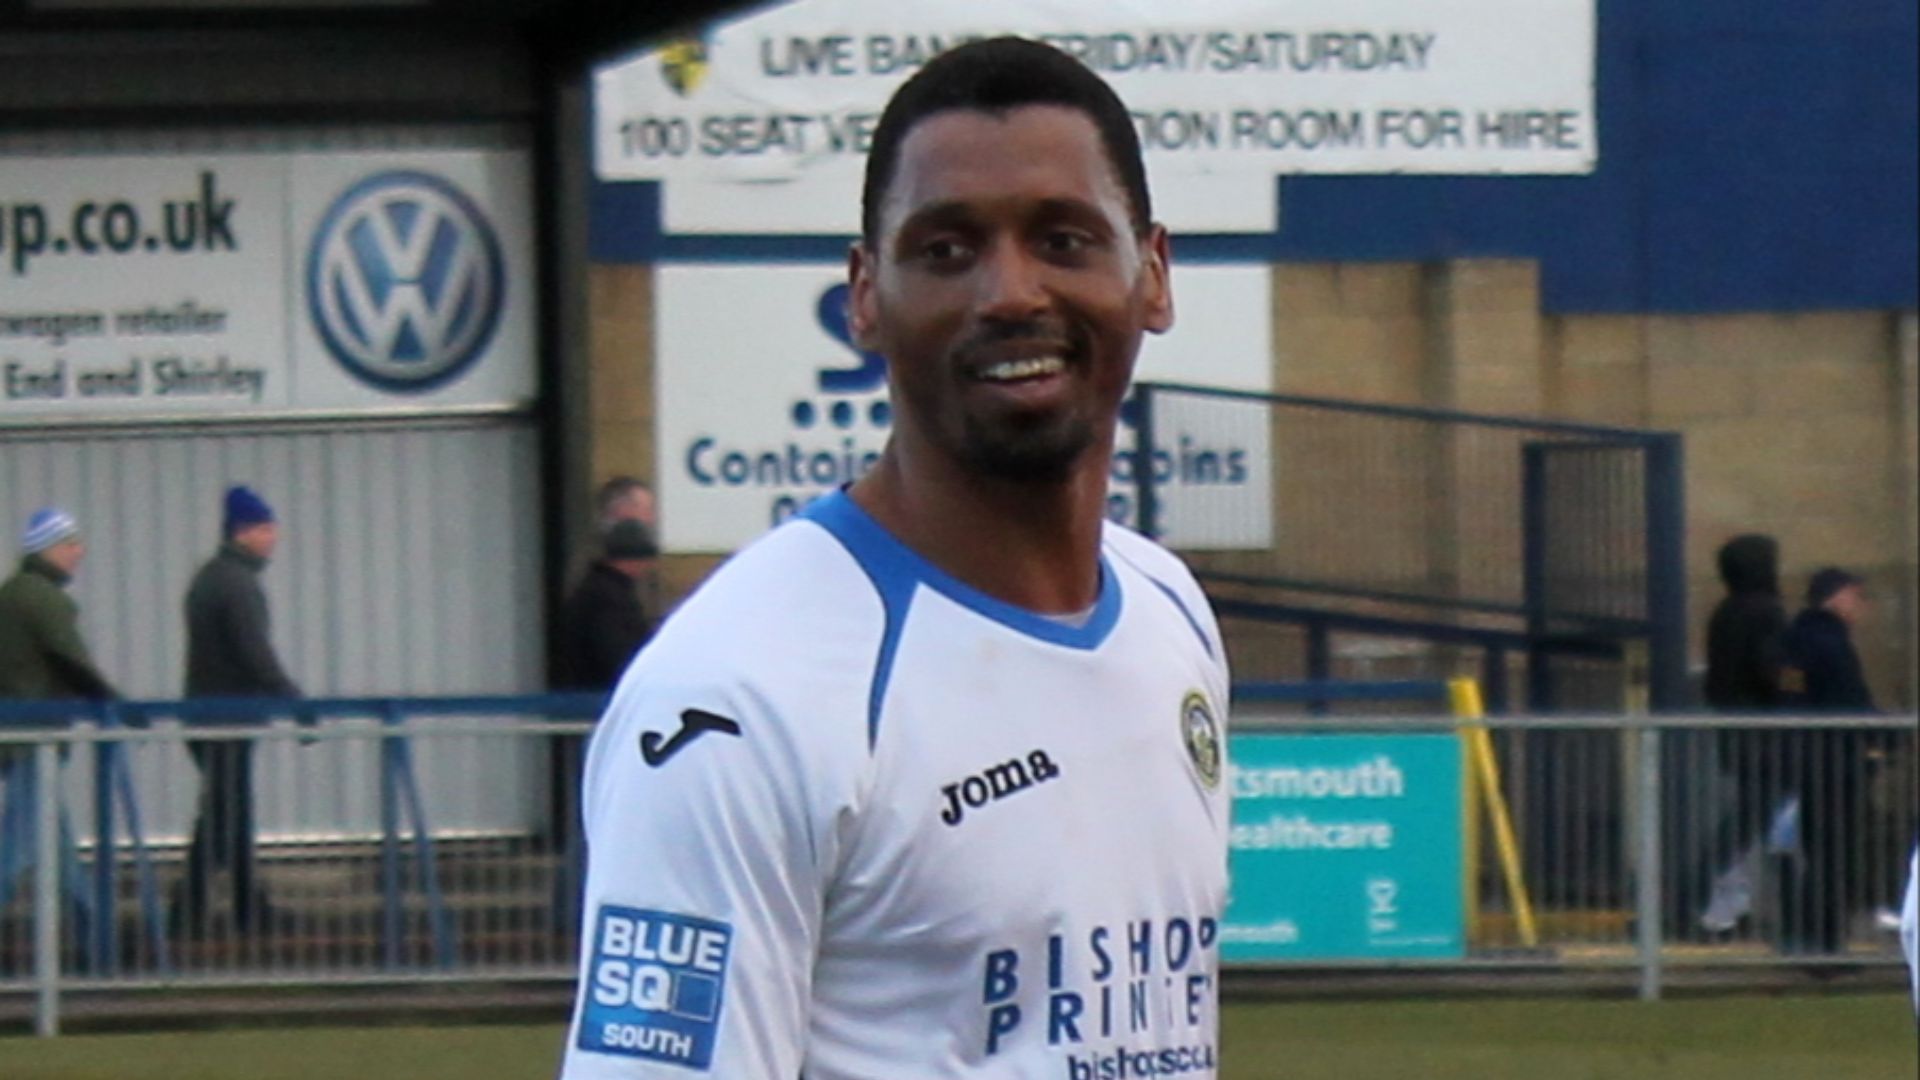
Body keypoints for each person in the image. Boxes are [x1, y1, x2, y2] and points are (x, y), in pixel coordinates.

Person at [561, 37, 1227, 1079]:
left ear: (1153, 276)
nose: (1011, 292)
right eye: (947, 250)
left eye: (1063, 239)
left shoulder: (1169, 612)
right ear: (865, 294)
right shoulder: (735, 701)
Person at [172, 485, 302, 938]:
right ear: (243, 532)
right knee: (223, 816)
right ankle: (188, 915)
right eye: (266, 528)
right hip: (226, 718)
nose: (273, 537)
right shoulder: (237, 584)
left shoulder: (212, 577)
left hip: (210, 715)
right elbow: (254, 652)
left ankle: (240, 907)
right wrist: (292, 699)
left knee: (227, 814)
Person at [0, 508, 115, 915]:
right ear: (47, 549)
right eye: (70, 544)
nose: (79, 552)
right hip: (36, 735)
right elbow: (72, 661)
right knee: (13, 847)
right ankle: (94, 941)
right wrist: (114, 706)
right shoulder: (45, 600)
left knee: (56, 843)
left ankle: (93, 937)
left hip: (21, 734)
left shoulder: (11, 593)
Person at [1774, 567, 1876, 955]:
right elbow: (1852, 701)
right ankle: (1826, 944)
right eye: (1857, 596)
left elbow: (1792, 697)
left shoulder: (1795, 639)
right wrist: (1885, 734)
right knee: (1835, 857)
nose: (1861, 606)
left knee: (1818, 854)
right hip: (1836, 762)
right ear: (1835, 596)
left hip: (1808, 760)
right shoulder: (1832, 643)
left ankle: (1806, 940)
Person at [1694, 534, 1789, 936]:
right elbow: (1771, 670)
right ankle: (1706, 897)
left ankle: (1727, 901)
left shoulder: (1724, 612)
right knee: (1754, 819)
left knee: (1752, 817)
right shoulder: (1766, 611)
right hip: (1767, 733)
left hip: (1736, 726)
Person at [558, 520, 660, 692]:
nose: (648, 566)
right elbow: (616, 653)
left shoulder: (595, 588)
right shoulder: (610, 598)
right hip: (596, 695)